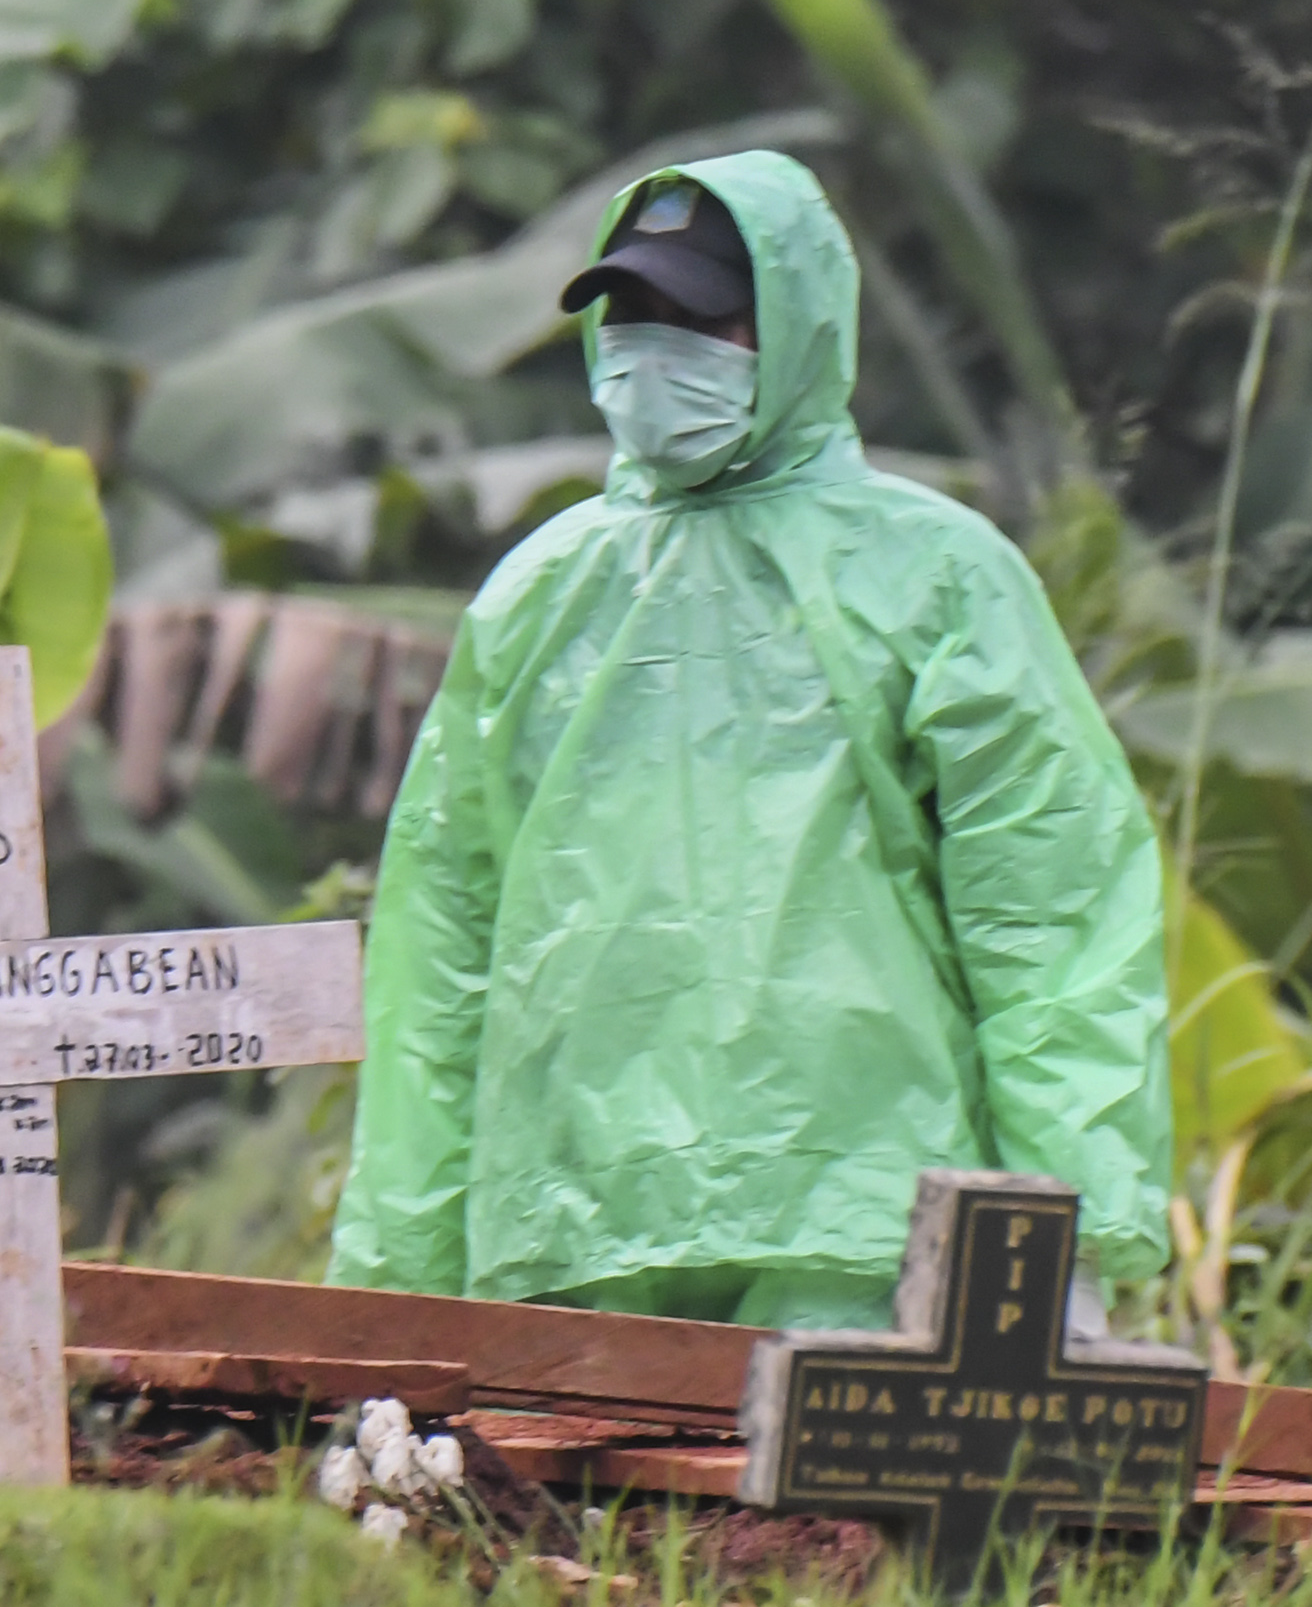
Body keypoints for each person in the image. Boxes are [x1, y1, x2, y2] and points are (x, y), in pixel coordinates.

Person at [330, 150, 1169, 1323]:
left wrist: (1059, 1230)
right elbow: (442, 950)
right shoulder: (536, 597)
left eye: (695, 316)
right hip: (574, 1238)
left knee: (825, 1516)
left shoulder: (935, 576)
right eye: (628, 314)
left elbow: (1049, 919)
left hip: (861, 1236)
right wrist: (401, 1283)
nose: (650, 348)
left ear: (796, 328)